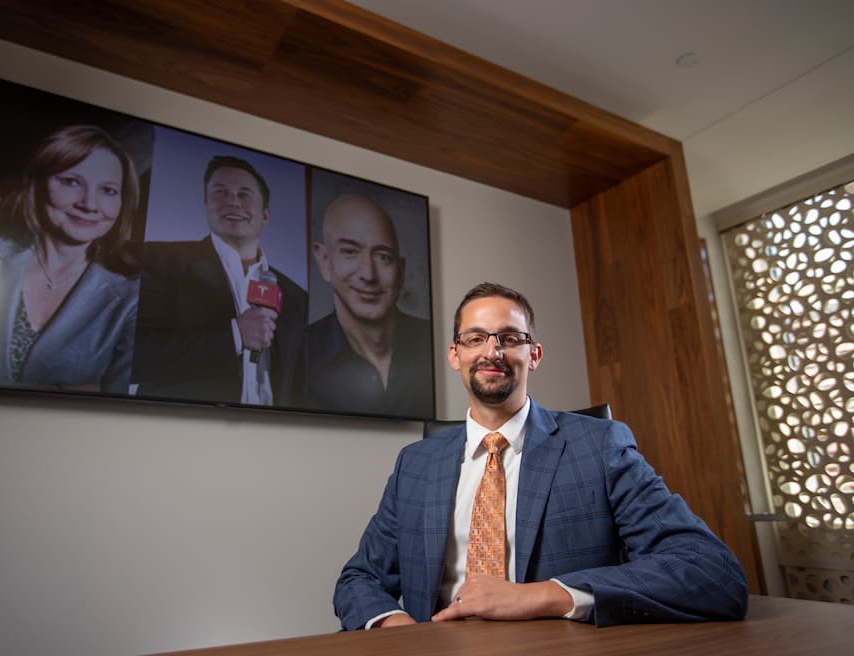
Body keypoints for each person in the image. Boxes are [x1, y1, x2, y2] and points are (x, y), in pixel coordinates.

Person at [334, 282, 749, 629]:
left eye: (510, 338)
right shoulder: (416, 464)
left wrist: (543, 596)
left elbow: (712, 571)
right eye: (475, 338)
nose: (492, 351)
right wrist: (398, 630)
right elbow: (360, 578)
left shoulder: (600, 447)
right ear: (455, 354)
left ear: (533, 355)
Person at [0, 124, 142, 393]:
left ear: (122, 203)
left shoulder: (132, 300)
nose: (90, 204)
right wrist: (63, 393)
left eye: (108, 190)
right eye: (71, 182)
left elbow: (115, 414)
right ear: (36, 184)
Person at [132, 155, 307, 406]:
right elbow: (134, 357)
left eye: (244, 194)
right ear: (206, 204)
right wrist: (236, 335)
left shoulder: (296, 296)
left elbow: (297, 387)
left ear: (265, 215)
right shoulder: (159, 261)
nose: (232, 202)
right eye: (220, 192)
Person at [307, 194, 433, 418]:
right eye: (350, 252)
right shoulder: (297, 355)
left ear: (401, 271)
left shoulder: (434, 344)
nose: (368, 274)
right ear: (324, 261)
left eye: (383, 257)